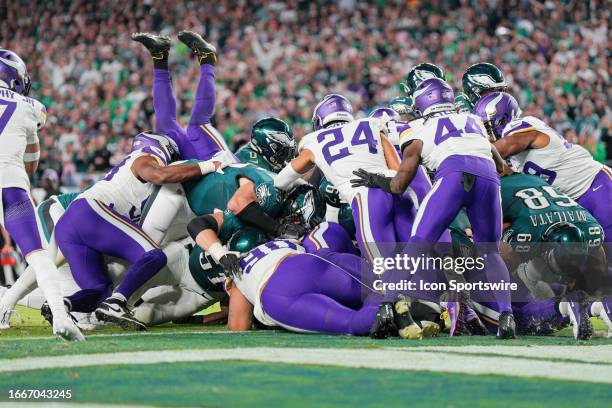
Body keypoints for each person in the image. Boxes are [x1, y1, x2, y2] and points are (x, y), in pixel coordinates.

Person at [351, 78, 516, 339]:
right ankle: (507, 316)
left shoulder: (414, 128)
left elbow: (399, 185)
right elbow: (498, 163)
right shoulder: (472, 119)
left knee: (417, 244)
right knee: (490, 252)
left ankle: (386, 306)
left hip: (452, 174)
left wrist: (377, 180)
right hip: (488, 179)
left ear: (421, 103)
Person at [54, 132, 224, 329]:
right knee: (154, 255)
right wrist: (209, 166)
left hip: (70, 226)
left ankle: (62, 305)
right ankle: (117, 303)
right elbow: (161, 175)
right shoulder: (144, 158)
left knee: (99, 291)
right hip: (90, 212)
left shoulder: (133, 166)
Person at [0, 49, 83, 340]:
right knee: (39, 256)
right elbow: (32, 164)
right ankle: (60, 318)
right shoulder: (31, 107)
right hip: (11, 183)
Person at [473, 92, 612, 243]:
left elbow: (505, 147)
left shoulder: (521, 126)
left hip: (596, 184)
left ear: (500, 120)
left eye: (486, 126)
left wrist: (467, 154)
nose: (485, 133)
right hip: (572, 203)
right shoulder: (511, 158)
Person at [132, 31, 235, 161]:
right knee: (181, 127)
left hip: (217, 172)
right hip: (215, 172)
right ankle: (165, 56)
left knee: (181, 128)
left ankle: (165, 56)